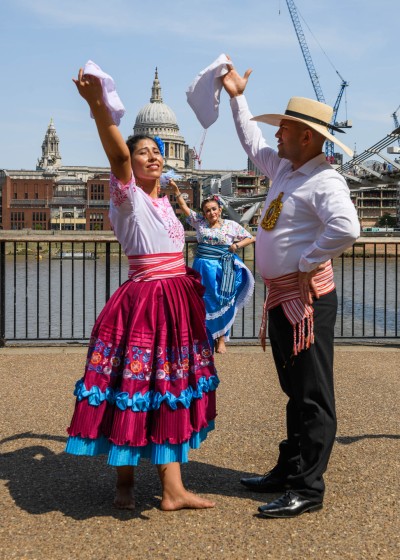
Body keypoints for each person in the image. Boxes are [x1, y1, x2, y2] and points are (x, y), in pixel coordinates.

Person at [65, 68, 219, 512]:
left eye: (158, 151)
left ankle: (172, 490)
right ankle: (126, 482)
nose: (153, 157)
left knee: (167, 387)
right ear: (130, 164)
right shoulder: (126, 198)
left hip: (174, 302)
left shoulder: (166, 202)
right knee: (132, 387)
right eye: (144, 151)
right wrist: (98, 107)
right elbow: (115, 157)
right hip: (145, 303)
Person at [221, 63, 360, 518]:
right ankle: (290, 469)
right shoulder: (285, 169)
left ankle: (307, 487)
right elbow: (250, 141)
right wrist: (237, 97)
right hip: (284, 296)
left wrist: (305, 262)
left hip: (307, 299)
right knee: (295, 388)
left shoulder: (325, 179)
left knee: (312, 393)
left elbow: (347, 228)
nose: (276, 135)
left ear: (306, 135)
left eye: (284, 129)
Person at [173, 187, 255, 353]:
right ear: (203, 213)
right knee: (202, 302)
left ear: (220, 209)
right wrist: (175, 190)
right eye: (207, 211)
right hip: (202, 268)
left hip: (223, 268)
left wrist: (236, 245)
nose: (211, 213)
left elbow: (251, 237)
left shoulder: (231, 225)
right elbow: (184, 206)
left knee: (222, 300)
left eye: (213, 209)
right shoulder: (200, 223)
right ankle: (204, 339)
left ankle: (221, 339)